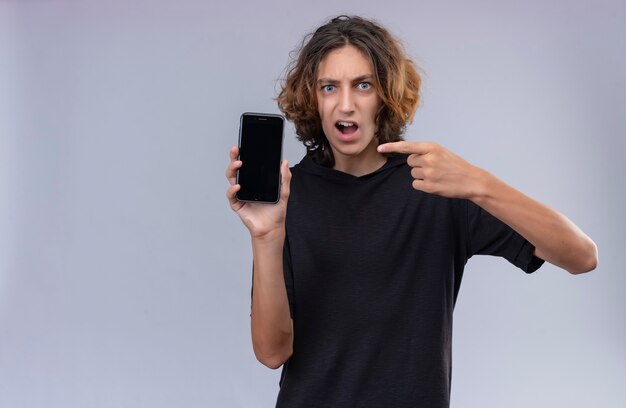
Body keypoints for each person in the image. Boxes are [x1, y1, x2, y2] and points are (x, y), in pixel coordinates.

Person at [225, 15, 597, 408]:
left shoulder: (437, 184)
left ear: (385, 95)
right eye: (329, 87)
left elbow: (581, 256)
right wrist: (266, 237)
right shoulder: (289, 196)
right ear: (313, 98)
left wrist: (478, 183)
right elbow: (271, 353)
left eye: (363, 85)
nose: (345, 104)